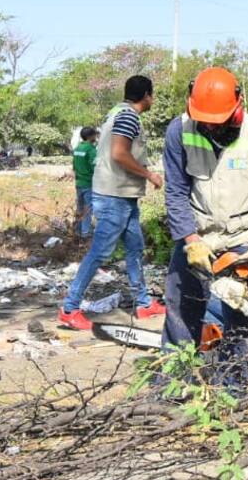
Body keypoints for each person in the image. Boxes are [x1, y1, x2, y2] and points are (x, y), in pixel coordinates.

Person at [161, 66, 248, 393]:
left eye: (218, 120)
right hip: (199, 236)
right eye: (205, 120)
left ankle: (230, 392)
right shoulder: (179, 131)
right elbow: (175, 191)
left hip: (243, 241)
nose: (211, 126)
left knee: (235, 320)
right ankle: (175, 389)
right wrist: (190, 240)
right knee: (180, 308)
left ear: (238, 104)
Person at [57, 76, 166, 329]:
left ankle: (143, 303)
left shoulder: (116, 112)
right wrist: (149, 174)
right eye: (153, 95)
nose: (153, 99)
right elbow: (119, 153)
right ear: (147, 95)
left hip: (123, 196)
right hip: (114, 196)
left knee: (135, 248)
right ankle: (70, 307)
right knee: (100, 252)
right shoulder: (128, 117)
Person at [71, 126, 99, 239]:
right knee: (88, 208)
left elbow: (74, 166)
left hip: (79, 183)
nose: (96, 137)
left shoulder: (78, 148)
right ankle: (85, 232)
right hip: (88, 183)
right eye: (95, 135)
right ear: (90, 136)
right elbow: (95, 167)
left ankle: (78, 230)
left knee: (80, 207)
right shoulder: (91, 149)